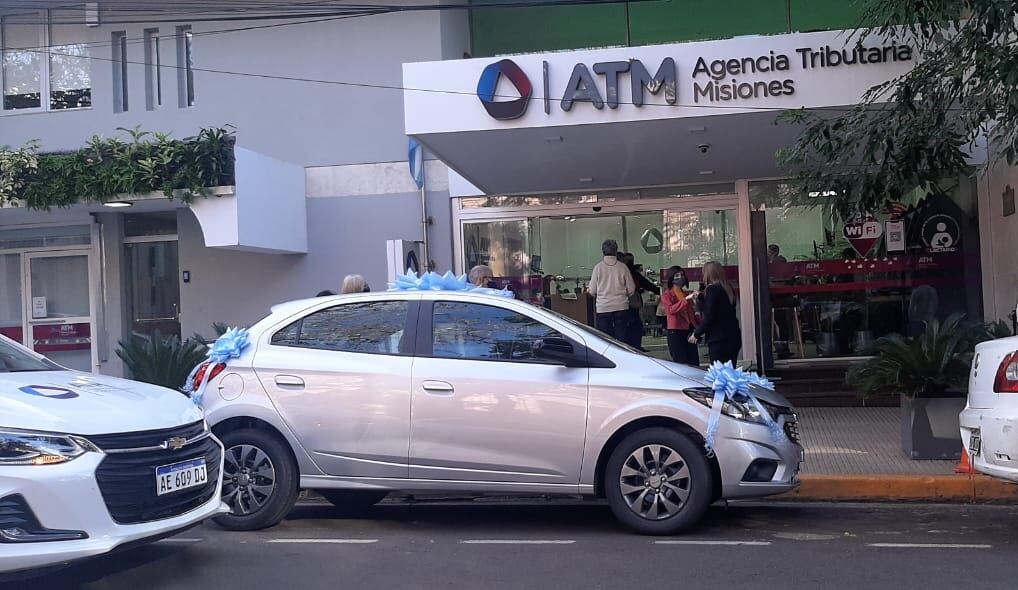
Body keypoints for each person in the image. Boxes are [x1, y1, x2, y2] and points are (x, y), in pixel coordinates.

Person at [691, 261, 741, 364]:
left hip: (718, 338)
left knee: (719, 372)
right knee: (730, 371)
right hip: (733, 335)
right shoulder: (728, 288)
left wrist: (697, 333)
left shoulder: (712, 289)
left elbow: (709, 316)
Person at [587, 239, 635, 343]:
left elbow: (592, 291)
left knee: (606, 340)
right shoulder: (623, 267)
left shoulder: (598, 268)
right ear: (616, 251)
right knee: (622, 339)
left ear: (602, 251)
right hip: (621, 306)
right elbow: (631, 289)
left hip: (603, 308)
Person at [661, 266, 700, 366]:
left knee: (694, 361)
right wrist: (686, 299)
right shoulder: (667, 295)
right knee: (681, 362)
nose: (680, 277)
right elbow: (670, 310)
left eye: (682, 275)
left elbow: (691, 312)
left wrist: (697, 326)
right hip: (676, 331)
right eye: (677, 275)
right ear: (671, 278)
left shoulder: (685, 293)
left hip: (689, 329)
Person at [622, 253, 660, 350]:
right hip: (630, 303)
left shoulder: (627, 272)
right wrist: (659, 291)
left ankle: (633, 346)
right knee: (636, 325)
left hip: (626, 303)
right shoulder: (630, 273)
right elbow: (646, 284)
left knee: (632, 326)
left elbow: (645, 284)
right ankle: (635, 346)